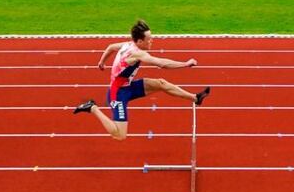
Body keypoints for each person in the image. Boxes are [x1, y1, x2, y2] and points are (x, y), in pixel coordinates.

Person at [74, 19, 211, 141]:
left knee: (160, 83)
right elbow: (161, 63)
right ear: (139, 41)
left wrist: (101, 62)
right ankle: (92, 108)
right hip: (117, 94)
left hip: (128, 86)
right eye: (149, 39)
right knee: (120, 135)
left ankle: (195, 98)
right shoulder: (136, 53)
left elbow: (110, 47)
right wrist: (185, 64)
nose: (152, 41)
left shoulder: (127, 44)